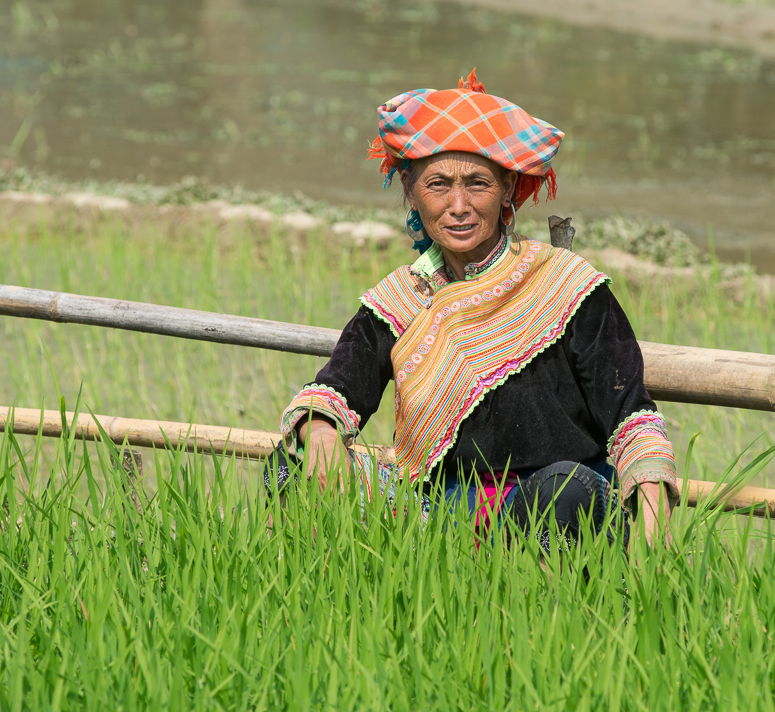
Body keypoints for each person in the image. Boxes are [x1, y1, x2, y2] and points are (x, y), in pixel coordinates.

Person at [265, 70, 677, 549]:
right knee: (290, 462)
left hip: (554, 506)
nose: (458, 205)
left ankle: (537, 616)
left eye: (477, 183)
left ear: (507, 188)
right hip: (435, 513)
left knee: (564, 488)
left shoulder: (568, 286)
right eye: (438, 184)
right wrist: (319, 431)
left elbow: (632, 417)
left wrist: (653, 517)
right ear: (410, 189)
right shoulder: (401, 300)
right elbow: (336, 389)